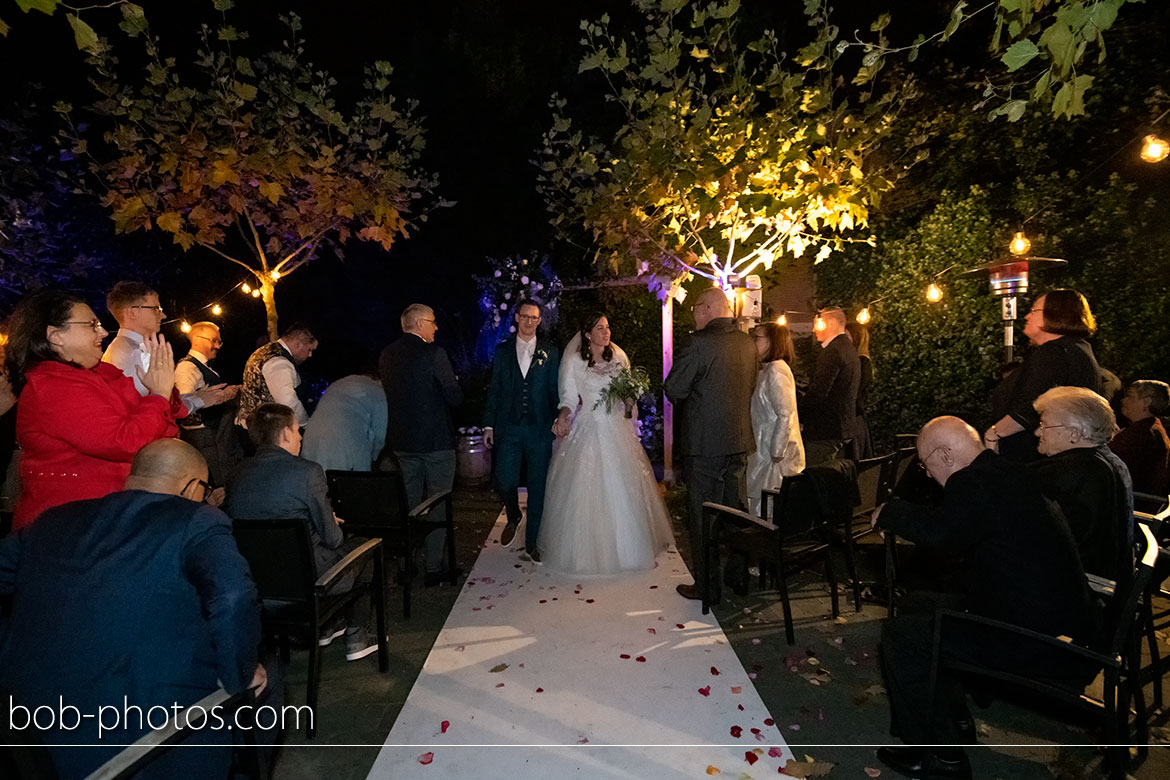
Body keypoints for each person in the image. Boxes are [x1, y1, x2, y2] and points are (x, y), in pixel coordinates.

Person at [0, 439, 266, 779]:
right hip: (132, 742)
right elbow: (233, 597)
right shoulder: (197, 519)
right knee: (265, 687)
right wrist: (240, 672)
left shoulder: (50, 521)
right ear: (191, 487)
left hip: (24, 735)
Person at [872, 416, 1096, 779]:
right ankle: (955, 720)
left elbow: (945, 533)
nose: (929, 476)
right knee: (918, 605)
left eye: (926, 467)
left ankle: (940, 758)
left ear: (945, 455)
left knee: (904, 638)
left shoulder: (972, 484)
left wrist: (893, 512)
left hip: (1033, 637)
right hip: (1056, 618)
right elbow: (959, 523)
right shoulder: (1002, 473)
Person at [5, 290, 183, 530]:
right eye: (92, 325)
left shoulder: (96, 374)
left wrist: (161, 392)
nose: (102, 332)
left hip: (102, 518)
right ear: (56, 336)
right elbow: (123, 442)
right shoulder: (54, 386)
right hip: (69, 527)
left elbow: (158, 425)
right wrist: (159, 395)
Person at [224, 403, 379, 660]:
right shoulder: (307, 472)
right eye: (297, 431)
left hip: (259, 582)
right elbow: (333, 538)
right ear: (285, 433)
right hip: (310, 582)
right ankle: (356, 636)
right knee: (365, 548)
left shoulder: (237, 474)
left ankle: (328, 627)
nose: (300, 437)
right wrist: (325, 518)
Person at [538, 312, 674, 574]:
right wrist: (564, 416)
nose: (606, 332)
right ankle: (587, 553)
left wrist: (630, 401)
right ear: (587, 334)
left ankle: (630, 548)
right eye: (599, 328)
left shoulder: (619, 357)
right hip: (589, 426)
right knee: (588, 490)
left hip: (616, 428)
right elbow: (567, 397)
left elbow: (629, 390)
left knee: (622, 487)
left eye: (608, 327)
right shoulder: (574, 361)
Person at [664, 287, 757, 600]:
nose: (694, 315)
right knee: (737, 512)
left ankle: (708, 587)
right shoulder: (748, 343)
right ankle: (738, 576)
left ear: (705, 309)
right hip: (739, 441)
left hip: (704, 446)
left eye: (694, 309)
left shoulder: (697, 344)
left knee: (704, 515)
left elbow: (674, 388)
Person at [379, 304, 463, 585]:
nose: (436, 327)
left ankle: (406, 564)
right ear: (419, 324)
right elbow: (454, 397)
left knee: (409, 502)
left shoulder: (387, 355)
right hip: (436, 441)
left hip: (402, 442)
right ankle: (433, 567)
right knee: (437, 502)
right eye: (433, 322)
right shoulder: (434, 354)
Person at [1029, 386, 1133, 581]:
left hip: (1076, 588)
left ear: (1074, 433)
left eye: (1044, 424)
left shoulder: (1071, 471)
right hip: (1104, 579)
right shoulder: (1108, 460)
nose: (1037, 432)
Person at [984, 289, 1101, 462]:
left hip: (1034, 459)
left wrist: (994, 433)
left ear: (1055, 314)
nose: (1027, 317)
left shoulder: (1054, 352)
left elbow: (1033, 404)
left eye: (1034, 310)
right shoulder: (1077, 350)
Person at [482, 300, 561, 555]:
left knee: (538, 485)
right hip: (509, 427)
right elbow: (494, 389)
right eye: (525, 316)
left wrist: (562, 416)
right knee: (505, 480)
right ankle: (514, 514)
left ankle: (532, 543)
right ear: (516, 318)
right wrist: (488, 425)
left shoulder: (550, 351)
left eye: (534, 317)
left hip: (539, 428)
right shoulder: (503, 351)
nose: (529, 321)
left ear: (540, 321)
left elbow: (554, 390)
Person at [101, 281, 234, 414]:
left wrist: (197, 398)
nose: (163, 316)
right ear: (132, 313)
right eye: (156, 309)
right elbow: (155, 408)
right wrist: (197, 401)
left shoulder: (130, 348)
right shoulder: (130, 353)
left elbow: (160, 401)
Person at [745, 322, 805, 516]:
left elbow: (785, 412)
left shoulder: (776, 371)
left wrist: (776, 452)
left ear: (772, 342)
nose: (754, 342)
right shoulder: (768, 370)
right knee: (760, 499)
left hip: (772, 455)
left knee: (768, 503)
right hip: (764, 449)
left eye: (758, 338)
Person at [175, 321, 242, 486]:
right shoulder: (186, 367)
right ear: (197, 339)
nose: (218, 346)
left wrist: (228, 393)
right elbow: (183, 405)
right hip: (206, 440)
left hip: (216, 438)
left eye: (219, 341)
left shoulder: (204, 367)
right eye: (214, 340)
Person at [800, 307, 861, 464]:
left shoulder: (833, 351)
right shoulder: (849, 349)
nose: (814, 330)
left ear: (833, 323)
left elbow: (819, 392)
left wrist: (800, 417)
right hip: (842, 427)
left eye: (818, 324)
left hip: (825, 429)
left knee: (818, 474)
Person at [236, 322, 318, 429]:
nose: (310, 355)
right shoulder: (279, 362)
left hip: (251, 426)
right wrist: (307, 425)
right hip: (265, 431)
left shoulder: (263, 352)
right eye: (309, 349)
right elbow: (288, 402)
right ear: (298, 344)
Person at [301, 370, 387, 472]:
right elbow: (380, 433)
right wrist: (374, 457)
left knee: (314, 483)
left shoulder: (338, 384)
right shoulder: (378, 392)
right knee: (349, 485)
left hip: (312, 437)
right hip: (346, 443)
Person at [1109, 379, 1170, 496]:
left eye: (1130, 396)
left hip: (1135, 502)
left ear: (1146, 402)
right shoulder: (1151, 428)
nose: (1123, 400)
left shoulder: (1143, 433)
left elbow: (1111, 461)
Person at [844, 320, 874, 458]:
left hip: (854, 417)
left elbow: (854, 392)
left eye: (846, 336)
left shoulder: (862, 362)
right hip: (855, 416)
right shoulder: (859, 361)